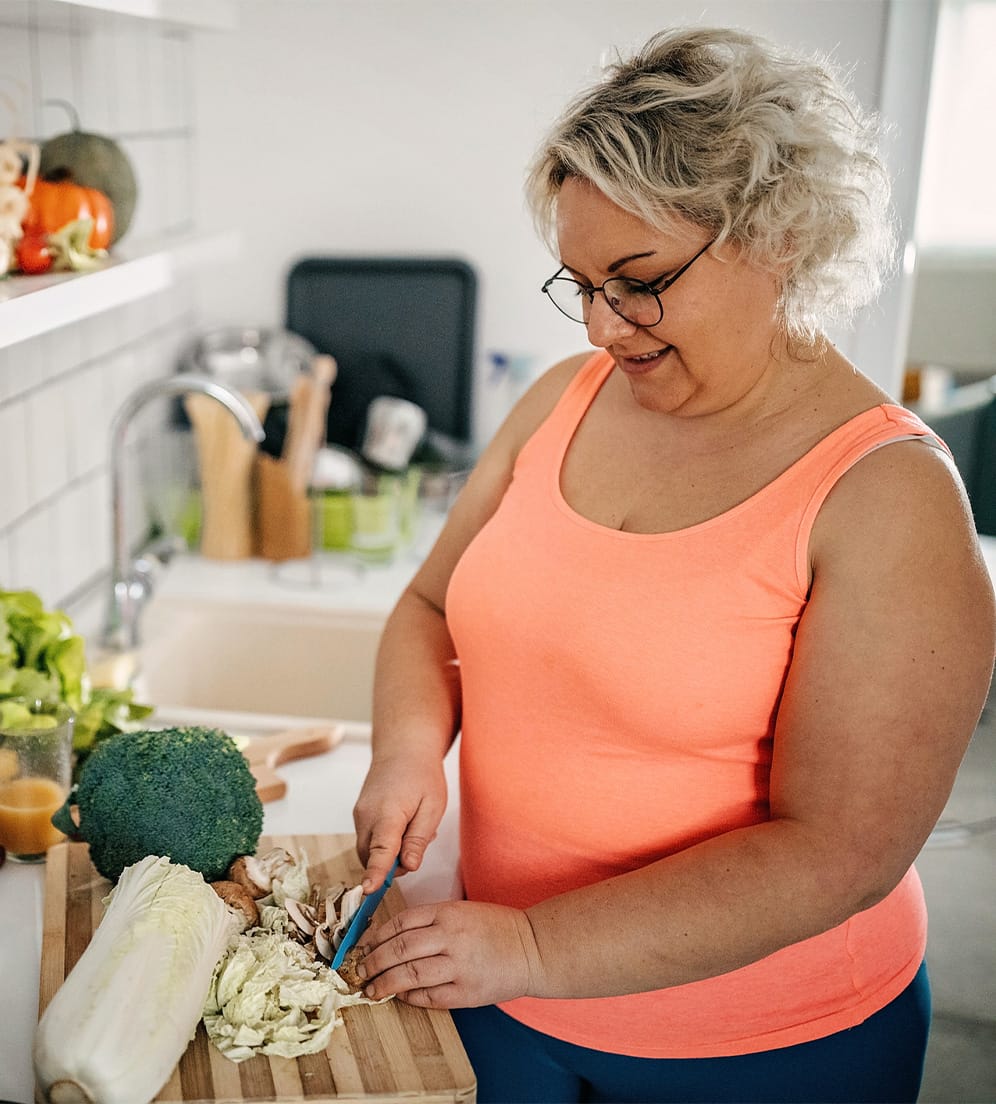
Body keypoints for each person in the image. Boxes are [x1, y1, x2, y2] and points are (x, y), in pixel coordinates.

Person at [349, 25, 995, 1104]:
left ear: (781, 237)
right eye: (581, 284)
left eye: (638, 281)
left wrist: (535, 946)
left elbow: (838, 854)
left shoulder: (889, 496)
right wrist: (408, 750)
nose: (601, 328)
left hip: (768, 1048)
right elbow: (428, 608)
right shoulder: (562, 400)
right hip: (499, 995)